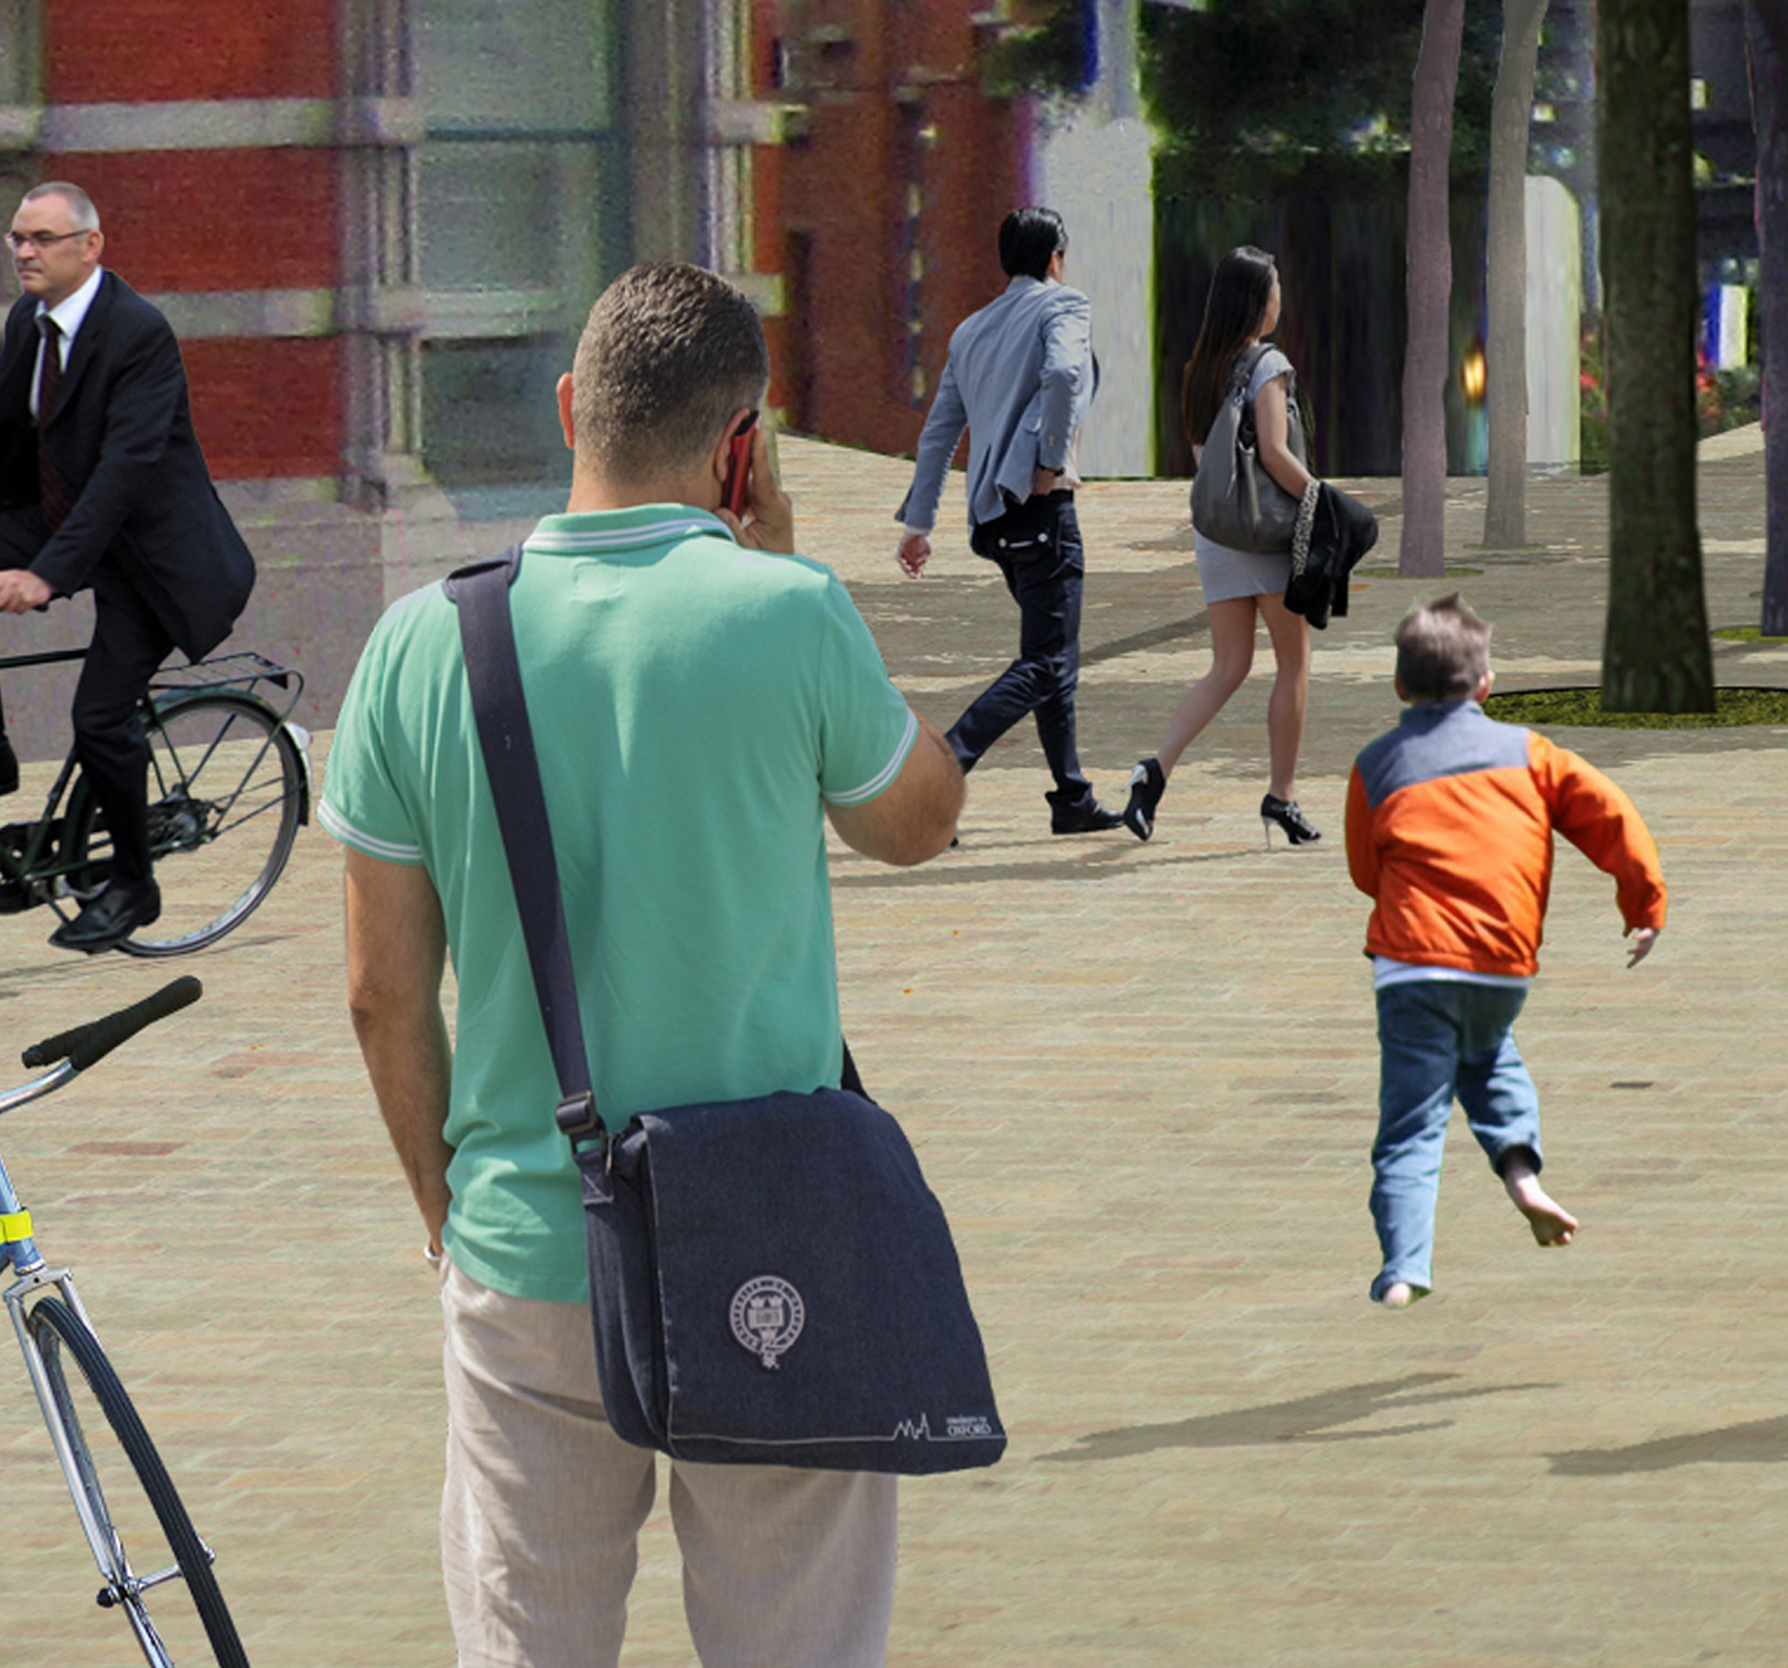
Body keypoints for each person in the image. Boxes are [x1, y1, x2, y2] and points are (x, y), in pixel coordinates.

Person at [326, 261, 964, 1665]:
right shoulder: (787, 615)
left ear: (570, 408)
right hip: (772, 1236)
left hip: (528, 1245)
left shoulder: (420, 647)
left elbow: (382, 998)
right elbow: (916, 821)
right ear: (744, 452)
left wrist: (454, 1219)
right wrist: (787, 568)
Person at [1343, 593, 1664, 1305]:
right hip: (1499, 964)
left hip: (1411, 965)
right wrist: (1643, 904)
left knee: (1411, 1125)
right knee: (1491, 1059)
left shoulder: (1377, 764)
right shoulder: (1532, 755)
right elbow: (1611, 816)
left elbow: (1366, 870)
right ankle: (1524, 1176)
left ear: (1400, 686)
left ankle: (1404, 1267)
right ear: (1486, 684)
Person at [0, 177, 259, 951]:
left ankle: (133, 887)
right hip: (67, 523)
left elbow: (126, 468)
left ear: (91, 246)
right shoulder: (27, 321)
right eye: (16, 237)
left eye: (41, 239)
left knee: (99, 716)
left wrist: (45, 574)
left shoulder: (138, 332)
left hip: (153, 561)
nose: (23, 252)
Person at [889, 203, 1112, 838]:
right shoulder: (1063, 305)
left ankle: (1072, 797)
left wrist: (919, 524)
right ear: (1053, 260)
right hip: (1042, 510)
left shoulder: (970, 330)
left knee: (1051, 656)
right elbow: (1068, 372)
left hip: (994, 520)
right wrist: (1047, 460)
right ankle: (940, 771)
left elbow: (938, 434)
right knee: (1047, 662)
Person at [1132, 244, 1322, 845]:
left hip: (1216, 532)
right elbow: (1273, 453)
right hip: (1265, 534)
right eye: (1274, 288)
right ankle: (1281, 797)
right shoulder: (1269, 365)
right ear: (1257, 301)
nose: (1280, 298)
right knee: (1292, 663)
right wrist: (1323, 499)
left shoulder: (1199, 370)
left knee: (1228, 665)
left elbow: (1204, 461)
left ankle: (1153, 771)